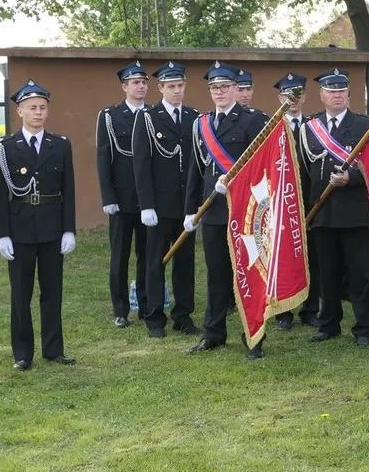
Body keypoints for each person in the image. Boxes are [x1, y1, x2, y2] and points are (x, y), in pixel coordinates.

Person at [183, 61, 268, 358]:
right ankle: (214, 333)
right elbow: (195, 169)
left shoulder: (254, 121)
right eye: (213, 88)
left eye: (224, 87)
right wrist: (191, 210)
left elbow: (263, 166)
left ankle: (253, 335)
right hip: (214, 210)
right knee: (217, 273)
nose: (219, 92)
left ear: (235, 88)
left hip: (245, 212)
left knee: (247, 272)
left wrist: (236, 180)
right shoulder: (202, 123)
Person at [0, 80, 77, 369]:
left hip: (52, 226)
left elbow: (69, 189)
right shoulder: (5, 147)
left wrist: (69, 229)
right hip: (20, 229)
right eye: (32, 108)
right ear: (20, 111)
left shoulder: (60, 145)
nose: (38, 112)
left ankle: (53, 349)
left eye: (42, 107)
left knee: (52, 292)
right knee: (21, 294)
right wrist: (3, 234)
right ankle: (22, 353)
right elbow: (1, 195)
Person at [300, 68, 369, 346]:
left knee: (362, 274)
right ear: (321, 95)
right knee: (327, 274)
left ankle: (365, 328)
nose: (337, 95)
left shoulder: (365, 125)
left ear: (348, 94)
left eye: (341, 91)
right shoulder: (309, 128)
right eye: (331, 91)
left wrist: (353, 177)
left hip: (355, 213)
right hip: (322, 213)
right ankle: (329, 323)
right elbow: (304, 171)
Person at [132, 60, 201, 338]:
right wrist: (146, 204)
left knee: (185, 262)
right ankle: (154, 317)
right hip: (159, 206)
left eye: (180, 85)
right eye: (171, 86)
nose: (177, 91)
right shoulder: (148, 118)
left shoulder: (194, 117)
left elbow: (197, 164)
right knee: (155, 261)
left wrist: (194, 204)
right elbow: (141, 164)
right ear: (160, 87)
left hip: (185, 206)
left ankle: (183, 316)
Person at [97, 60, 149, 328]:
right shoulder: (110, 115)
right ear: (124, 86)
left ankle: (145, 303)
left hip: (148, 199)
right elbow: (103, 157)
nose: (140, 86)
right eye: (135, 82)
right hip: (121, 197)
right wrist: (108, 197)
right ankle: (120, 309)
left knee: (147, 254)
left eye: (143, 82)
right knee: (120, 254)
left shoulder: (153, 114)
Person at [273, 72, 322, 330]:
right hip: (281, 203)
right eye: (287, 95)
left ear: (305, 97)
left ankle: (310, 308)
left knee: (312, 256)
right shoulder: (270, 127)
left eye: (298, 94)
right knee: (284, 257)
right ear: (279, 97)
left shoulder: (315, 127)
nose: (293, 100)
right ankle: (284, 312)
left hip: (310, 200)